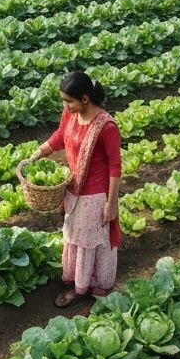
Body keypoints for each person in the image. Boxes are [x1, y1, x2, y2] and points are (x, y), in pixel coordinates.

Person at [19, 71, 121, 311]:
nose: (65, 105)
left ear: (85, 99)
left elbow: (115, 166)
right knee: (75, 235)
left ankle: (84, 288)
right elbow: (60, 137)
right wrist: (37, 154)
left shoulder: (106, 126)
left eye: (69, 101)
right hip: (73, 187)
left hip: (95, 193)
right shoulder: (71, 114)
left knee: (89, 240)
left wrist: (111, 202)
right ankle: (79, 278)